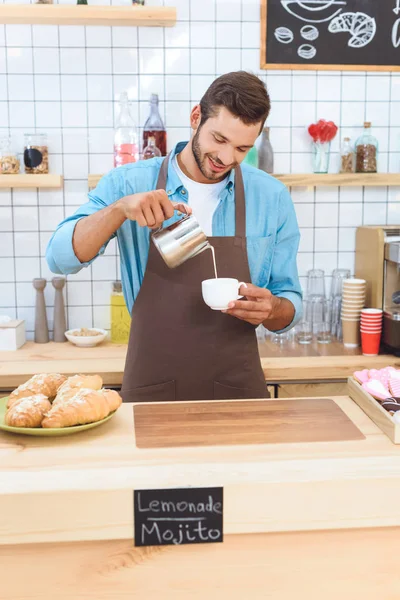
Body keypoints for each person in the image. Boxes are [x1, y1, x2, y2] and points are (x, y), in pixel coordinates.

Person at [47, 71, 302, 403]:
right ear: (196, 117)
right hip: (152, 386)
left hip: (238, 392)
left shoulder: (270, 196)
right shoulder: (128, 183)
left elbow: (289, 303)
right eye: (219, 140)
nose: (226, 158)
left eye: (242, 148)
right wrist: (119, 210)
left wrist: (271, 309)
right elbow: (59, 258)